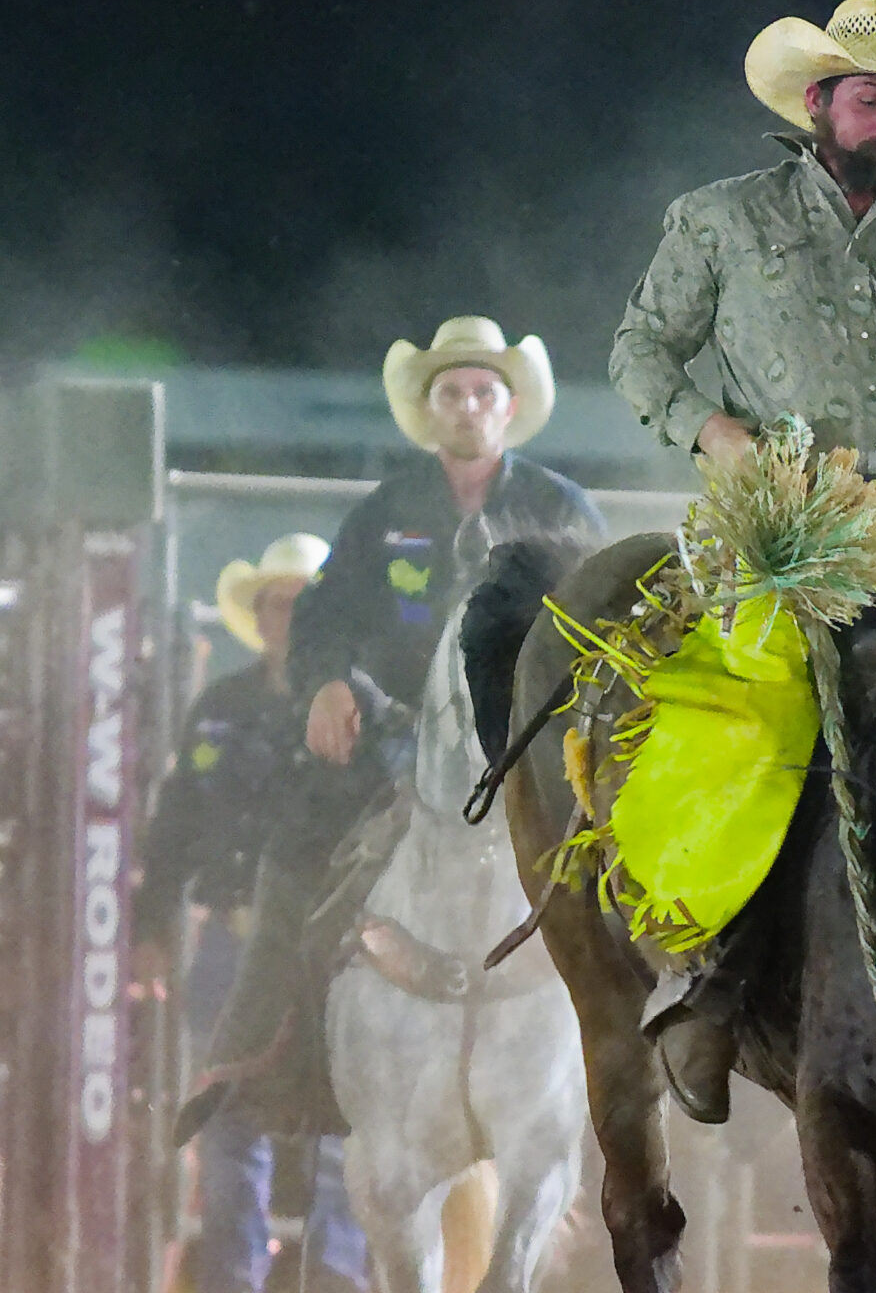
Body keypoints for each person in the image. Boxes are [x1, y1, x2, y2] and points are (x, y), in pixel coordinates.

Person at [609, 0, 876, 1122]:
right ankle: (714, 978)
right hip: (780, 542)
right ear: (818, 105)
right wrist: (716, 431)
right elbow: (642, 351)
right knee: (747, 728)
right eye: (872, 100)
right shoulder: (717, 222)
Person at [180, 319, 605, 1137]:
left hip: (530, 746)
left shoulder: (558, 507)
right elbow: (325, 616)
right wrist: (328, 681)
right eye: (452, 392)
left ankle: (648, 1061)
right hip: (396, 741)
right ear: (432, 408)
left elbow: (600, 616)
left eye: (483, 390)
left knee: (623, 873)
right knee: (298, 857)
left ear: (508, 405)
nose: (469, 404)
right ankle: (257, 1056)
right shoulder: (385, 512)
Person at [136, 534, 370, 1293]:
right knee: (231, 1116)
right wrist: (151, 919)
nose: (288, 617)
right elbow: (176, 816)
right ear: (261, 615)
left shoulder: (359, 708)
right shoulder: (223, 708)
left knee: (341, 1122)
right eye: (278, 602)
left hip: (333, 944)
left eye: (304, 605)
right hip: (237, 937)